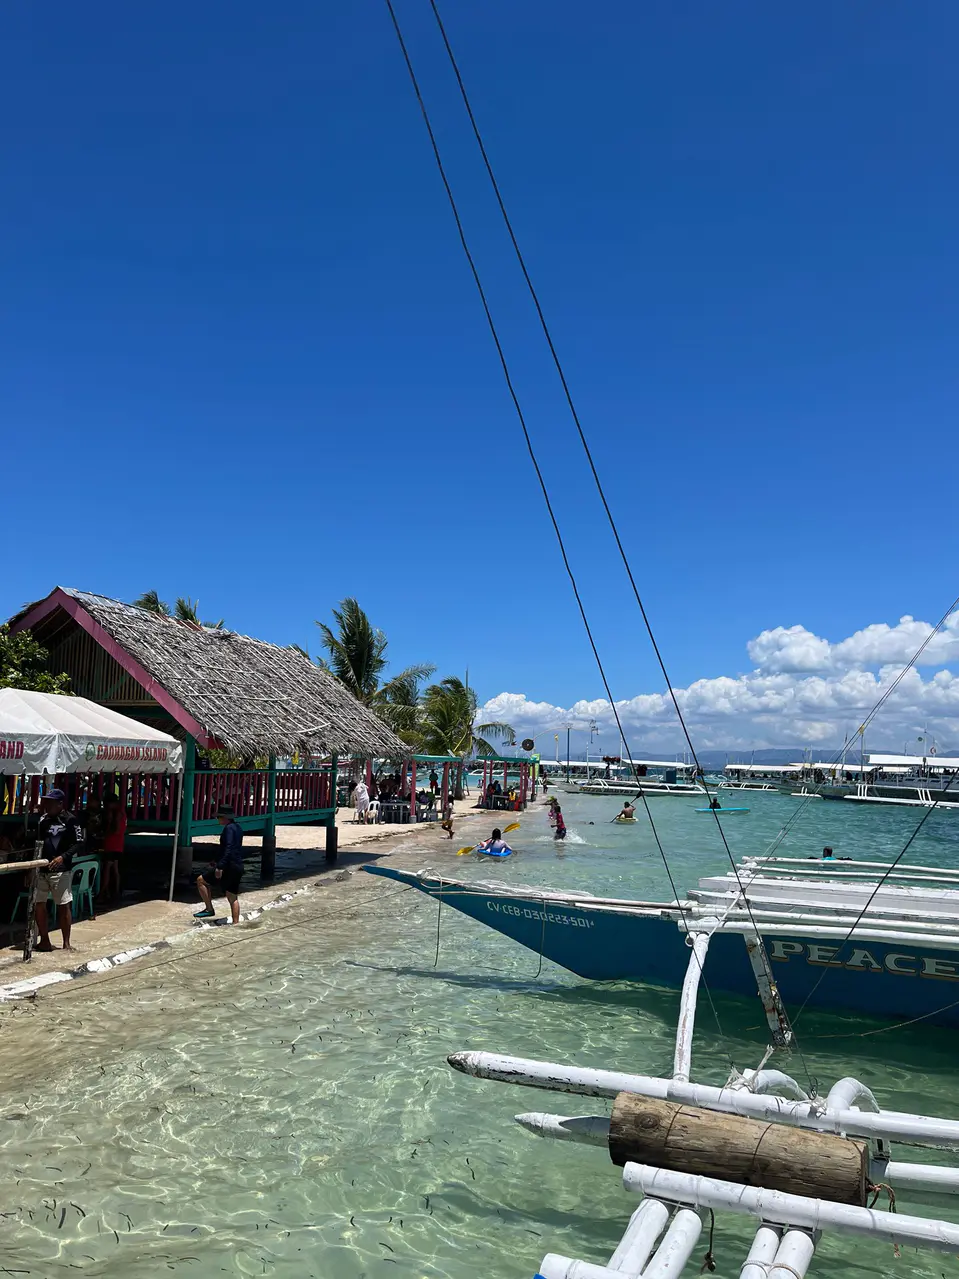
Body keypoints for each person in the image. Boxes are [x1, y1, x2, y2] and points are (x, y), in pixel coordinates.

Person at [35, 788, 85, 951]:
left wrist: (63, 857)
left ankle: (66, 943)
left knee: (63, 905)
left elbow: (79, 842)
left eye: (50, 802)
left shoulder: (71, 820)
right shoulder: (42, 820)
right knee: (38, 904)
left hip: (61, 870)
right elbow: (38, 843)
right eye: (45, 802)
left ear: (59, 804)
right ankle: (44, 940)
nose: (46, 805)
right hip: (41, 869)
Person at [195, 805, 244, 924]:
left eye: (219, 817)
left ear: (225, 818)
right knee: (232, 897)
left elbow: (228, 848)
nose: (218, 820)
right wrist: (216, 860)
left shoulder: (228, 829)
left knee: (200, 880)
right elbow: (230, 848)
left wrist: (220, 866)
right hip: (238, 865)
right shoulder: (238, 828)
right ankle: (235, 924)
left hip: (229, 866)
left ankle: (209, 909)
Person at [100, 790, 127, 901]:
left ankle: (102, 893)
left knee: (107, 869)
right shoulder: (122, 812)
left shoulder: (116, 813)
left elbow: (115, 830)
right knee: (115, 870)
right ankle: (115, 892)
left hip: (111, 844)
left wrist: (105, 832)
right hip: (118, 844)